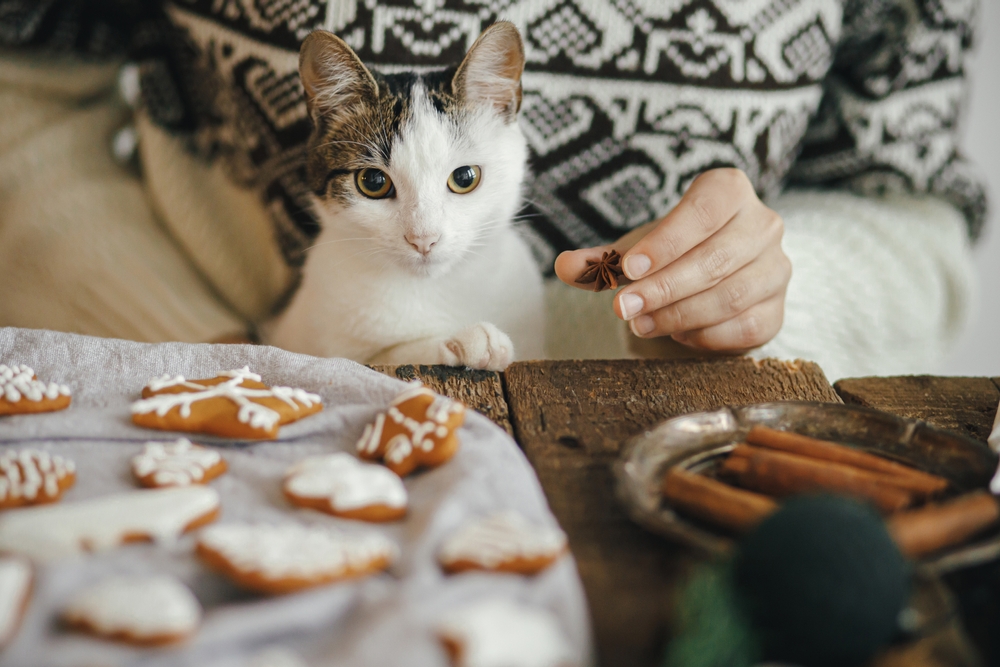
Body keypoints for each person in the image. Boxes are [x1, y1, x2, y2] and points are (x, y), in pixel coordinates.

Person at [0, 0, 985, 380]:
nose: (428, 230)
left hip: (694, 479)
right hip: (235, 405)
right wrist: (187, 357)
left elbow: (902, 195)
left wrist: (768, 302)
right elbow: (22, 89)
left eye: (463, 181)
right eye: (382, 187)